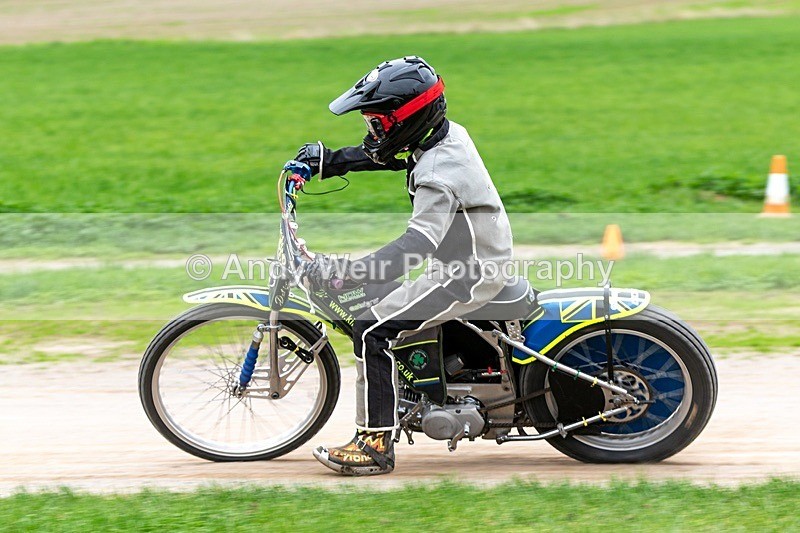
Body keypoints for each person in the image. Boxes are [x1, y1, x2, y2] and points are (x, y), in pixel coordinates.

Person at [295, 56, 514, 476]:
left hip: (466, 275)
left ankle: (375, 444)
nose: (372, 132)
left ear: (407, 118)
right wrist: (331, 161)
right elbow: (394, 154)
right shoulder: (441, 139)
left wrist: (355, 272)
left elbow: (417, 244)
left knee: (372, 328)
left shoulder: (437, 173)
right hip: (463, 262)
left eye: (377, 124)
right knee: (378, 304)